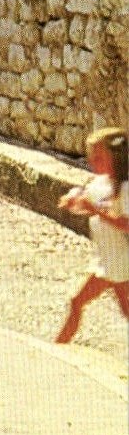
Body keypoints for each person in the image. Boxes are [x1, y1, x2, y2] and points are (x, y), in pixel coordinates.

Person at [55, 127, 129, 341]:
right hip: (108, 262)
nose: (92, 161)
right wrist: (72, 203)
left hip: (123, 263)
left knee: (79, 301)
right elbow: (86, 203)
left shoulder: (125, 189)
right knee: (77, 302)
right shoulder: (101, 183)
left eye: (98, 156)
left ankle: (58, 347)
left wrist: (95, 209)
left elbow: (125, 224)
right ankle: (58, 349)